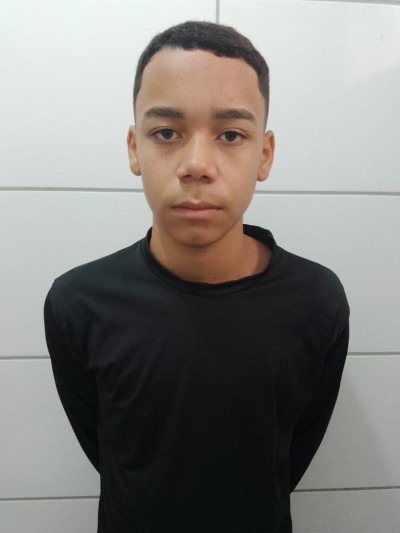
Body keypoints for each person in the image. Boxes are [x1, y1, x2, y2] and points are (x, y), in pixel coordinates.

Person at [44, 20, 349, 533]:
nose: (197, 165)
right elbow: (111, 454)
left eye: (231, 134)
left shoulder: (317, 301)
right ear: (134, 148)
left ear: (264, 154)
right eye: (166, 133)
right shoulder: (78, 303)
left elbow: (288, 457)